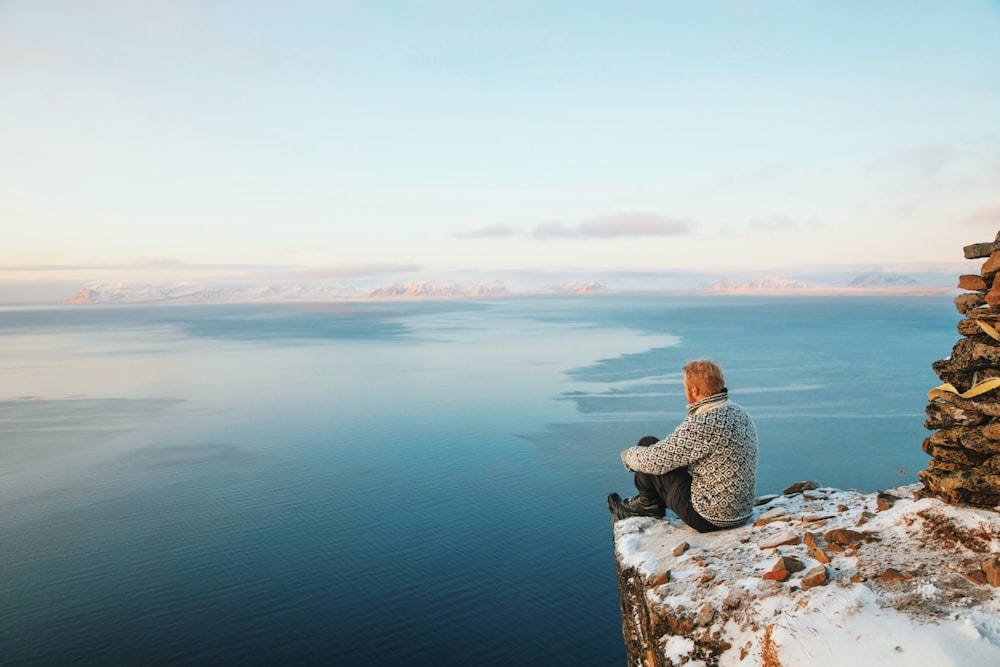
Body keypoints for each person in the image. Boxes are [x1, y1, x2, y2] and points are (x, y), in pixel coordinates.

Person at [607, 360, 757, 532]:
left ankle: (647, 505)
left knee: (646, 445)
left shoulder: (703, 422)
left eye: (685, 387)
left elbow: (656, 460)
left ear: (694, 389)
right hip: (742, 511)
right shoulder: (740, 413)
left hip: (709, 518)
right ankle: (647, 504)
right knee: (654, 450)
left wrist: (627, 457)